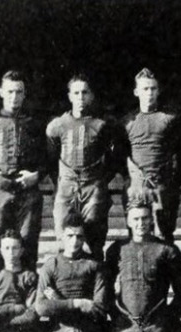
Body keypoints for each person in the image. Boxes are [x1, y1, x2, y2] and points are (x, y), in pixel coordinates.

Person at [104, 201, 181, 332]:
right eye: (135, 219)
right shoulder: (117, 250)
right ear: (128, 220)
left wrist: (164, 317)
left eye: (144, 218)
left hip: (155, 325)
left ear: (151, 220)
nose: (140, 223)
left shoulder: (166, 250)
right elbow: (106, 287)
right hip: (126, 325)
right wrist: (116, 313)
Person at [0, 70, 47, 269]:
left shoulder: (35, 125)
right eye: (10, 91)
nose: (15, 97)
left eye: (19, 92)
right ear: (1, 92)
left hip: (27, 191)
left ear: (24, 94)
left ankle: (27, 290)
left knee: (28, 241)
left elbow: (46, 159)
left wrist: (37, 176)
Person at [33, 213, 112, 332]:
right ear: (62, 236)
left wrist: (59, 301)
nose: (74, 241)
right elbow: (41, 307)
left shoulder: (93, 265)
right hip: (59, 330)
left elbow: (99, 308)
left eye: (79, 236)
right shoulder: (51, 265)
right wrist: (77, 303)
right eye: (70, 236)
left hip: (87, 331)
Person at [46, 74, 119, 259]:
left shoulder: (101, 126)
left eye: (84, 92)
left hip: (93, 185)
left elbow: (112, 159)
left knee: (94, 236)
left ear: (91, 95)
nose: (80, 97)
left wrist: (99, 180)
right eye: (76, 93)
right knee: (64, 233)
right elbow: (50, 158)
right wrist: (62, 181)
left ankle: (94, 282)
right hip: (66, 185)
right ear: (69, 96)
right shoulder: (57, 125)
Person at [118, 68, 181, 242]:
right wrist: (131, 179)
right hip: (135, 187)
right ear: (136, 92)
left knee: (164, 235)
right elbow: (119, 155)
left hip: (162, 186)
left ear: (158, 91)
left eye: (153, 89)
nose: (149, 93)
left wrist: (172, 183)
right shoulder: (127, 122)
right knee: (136, 234)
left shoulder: (170, 119)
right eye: (145, 89)